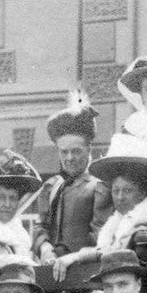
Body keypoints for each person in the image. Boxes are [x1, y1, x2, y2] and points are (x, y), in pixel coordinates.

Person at [51, 133, 147, 281]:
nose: (120, 197)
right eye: (116, 191)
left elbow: (118, 251)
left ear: (142, 194)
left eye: (127, 191)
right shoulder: (116, 224)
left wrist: (77, 256)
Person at [31, 93, 113, 266]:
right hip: (52, 271)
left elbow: (102, 239)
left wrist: (76, 258)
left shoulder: (99, 186)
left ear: (89, 149)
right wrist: (45, 248)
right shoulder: (51, 187)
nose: (69, 158)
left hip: (85, 273)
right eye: (64, 152)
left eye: (76, 151)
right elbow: (40, 226)